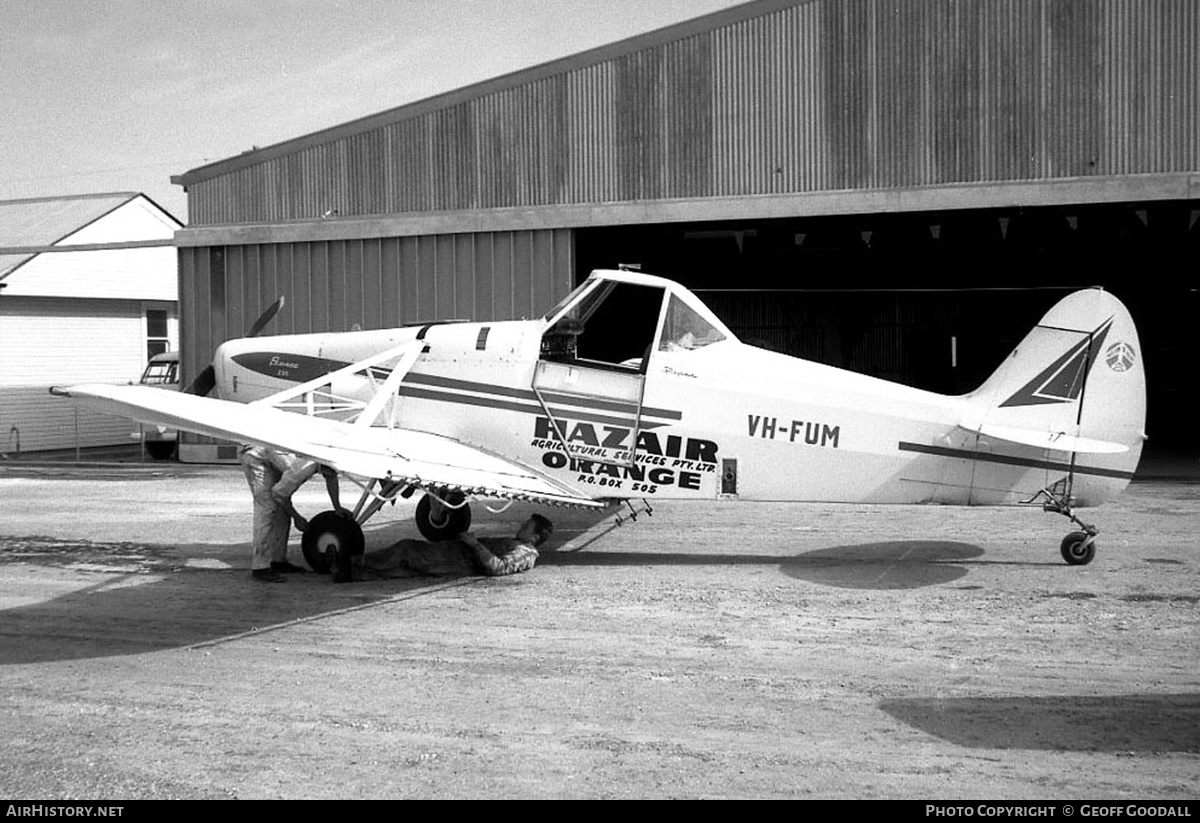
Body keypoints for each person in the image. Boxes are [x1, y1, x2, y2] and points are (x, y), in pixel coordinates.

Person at [327, 514, 553, 583]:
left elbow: (498, 567)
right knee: (405, 569)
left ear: (534, 537)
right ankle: (347, 575)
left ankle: (351, 562)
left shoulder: (526, 553)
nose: (521, 526)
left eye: (526, 527)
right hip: (457, 557)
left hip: (457, 560)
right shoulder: (522, 545)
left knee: (407, 550)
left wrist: (474, 544)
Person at [238, 444, 347, 582]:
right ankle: (260, 568)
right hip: (256, 458)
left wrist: (337, 507)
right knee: (267, 508)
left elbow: (331, 476)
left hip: (271, 456)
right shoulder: (304, 468)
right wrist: (297, 517)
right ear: (324, 465)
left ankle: (278, 561)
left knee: (282, 512)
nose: (333, 475)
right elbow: (278, 494)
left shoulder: (326, 461)